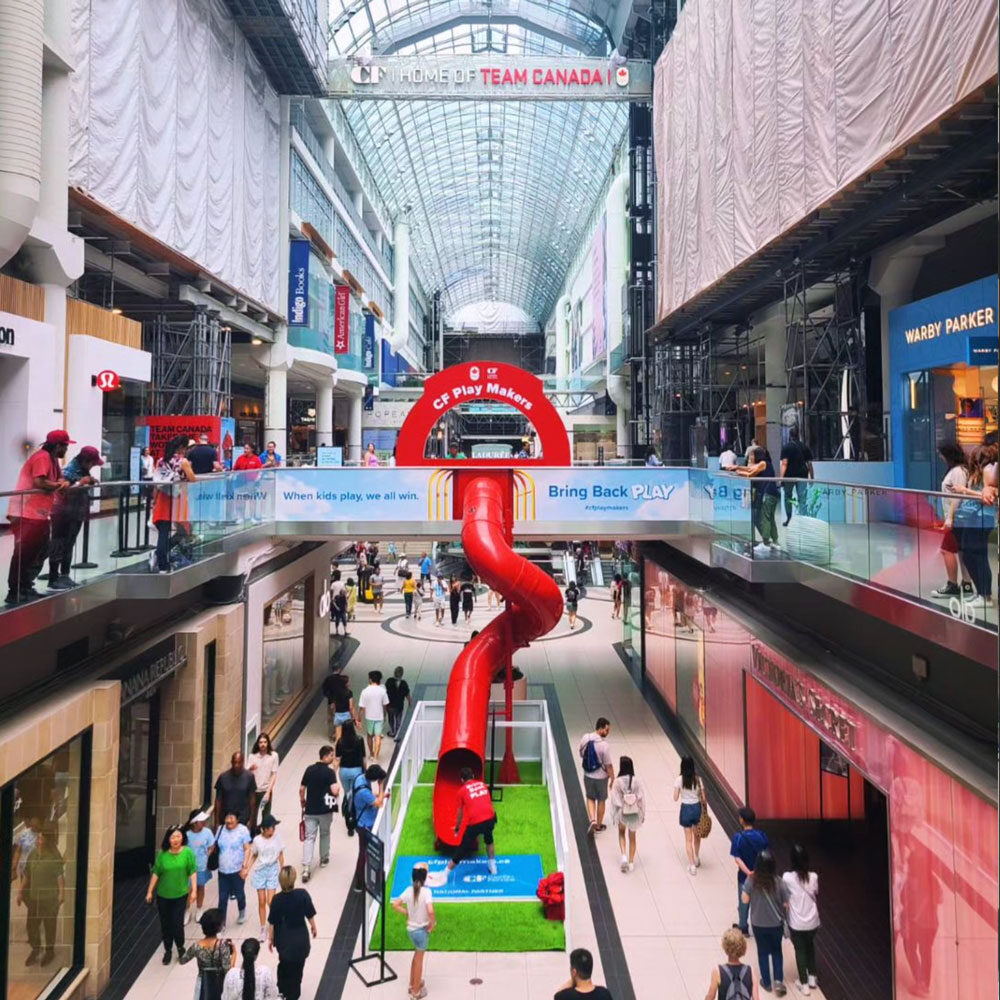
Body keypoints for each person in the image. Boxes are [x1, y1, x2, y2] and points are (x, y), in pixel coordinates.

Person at [6, 429, 71, 604]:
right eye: (65, 446)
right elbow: (39, 482)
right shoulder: (42, 457)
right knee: (25, 553)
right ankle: (15, 591)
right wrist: (59, 485)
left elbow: (59, 479)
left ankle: (25, 586)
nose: (66, 450)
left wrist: (62, 483)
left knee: (40, 549)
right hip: (26, 512)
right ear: (58, 446)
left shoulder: (53, 460)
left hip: (38, 513)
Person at [46, 445, 103, 590]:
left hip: (75, 513)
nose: (93, 466)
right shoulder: (69, 470)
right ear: (86, 460)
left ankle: (64, 575)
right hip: (63, 513)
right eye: (92, 463)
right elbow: (63, 490)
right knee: (59, 544)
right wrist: (81, 483)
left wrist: (89, 480)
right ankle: (53, 578)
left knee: (69, 544)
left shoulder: (83, 470)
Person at [950, 444, 997, 609]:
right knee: (970, 554)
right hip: (975, 518)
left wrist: (964, 490)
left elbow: (989, 495)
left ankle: (985, 595)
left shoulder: (988, 470)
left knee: (977, 555)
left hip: (982, 518)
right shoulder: (980, 472)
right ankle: (981, 593)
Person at [741, 849, 790, 996]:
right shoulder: (779, 882)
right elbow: (786, 904)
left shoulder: (752, 880)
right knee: (777, 951)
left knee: (762, 952)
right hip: (776, 924)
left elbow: (744, 900)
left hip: (758, 923)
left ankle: (767, 982)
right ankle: (779, 982)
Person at [146, 825, 197, 963]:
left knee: (177, 923)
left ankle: (180, 948)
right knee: (165, 924)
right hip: (163, 896)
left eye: (178, 836)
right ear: (168, 839)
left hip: (180, 895)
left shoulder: (187, 853)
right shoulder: (162, 855)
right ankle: (167, 949)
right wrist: (150, 891)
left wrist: (194, 891)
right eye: (173, 837)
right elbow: (156, 873)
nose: (176, 840)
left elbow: (192, 872)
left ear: (182, 838)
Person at [16, 825, 64, 968]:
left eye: (40, 838)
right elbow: (27, 875)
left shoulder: (54, 856)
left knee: (49, 926)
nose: (37, 840)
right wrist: (20, 891)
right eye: (37, 838)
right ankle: (36, 949)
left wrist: (61, 894)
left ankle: (49, 951)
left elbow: (60, 877)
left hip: (49, 898)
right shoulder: (33, 854)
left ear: (47, 840)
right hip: (35, 897)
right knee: (32, 926)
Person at [267, 866, 317, 1000]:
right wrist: (313, 927)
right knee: (298, 969)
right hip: (301, 941)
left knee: (284, 965)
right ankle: (293, 993)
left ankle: (283, 990)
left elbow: (272, 921)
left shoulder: (277, 900)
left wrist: (270, 938)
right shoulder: (302, 894)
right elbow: (310, 914)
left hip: (284, 941)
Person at [150, 433, 197, 573]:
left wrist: (154, 500)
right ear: (182, 448)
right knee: (184, 530)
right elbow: (192, 479)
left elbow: (156, 484)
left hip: (163, 499)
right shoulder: (183, 462)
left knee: (163, 532)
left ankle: (162, 563)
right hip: (178, 500)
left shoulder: (161, 461)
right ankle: (161, 556)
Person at [931, 442, 972, 599]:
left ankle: (952, 584)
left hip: (957, 518)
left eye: (941, 454)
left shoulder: (958, 472)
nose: (940, 457)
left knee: (946, 549)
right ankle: (966, 585)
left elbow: (958, 496)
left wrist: (950, 517)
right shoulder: (958, 470)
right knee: (961, 551)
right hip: (957, 517)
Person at [441, 767, 497, 878]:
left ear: (462, 780)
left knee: (462, 849)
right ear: (473, 776)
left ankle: (445, 873)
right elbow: (487, 802)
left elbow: (460, 813)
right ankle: (493, 866)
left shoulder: (461, 791)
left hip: (475, 823)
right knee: (489, 839)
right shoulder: (483, 785)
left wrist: (457, 828)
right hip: (491, 819)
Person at [391, 863, 435, 1000]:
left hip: (411, 930)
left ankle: (412, 983)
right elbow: (431, 911)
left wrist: (407, 913)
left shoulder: (408, 890)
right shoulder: (427, 892)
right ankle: (416, 991)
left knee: (416, 956)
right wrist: (432, 923)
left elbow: (395, 904)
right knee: (419, 960)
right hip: (421, 931)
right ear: (425, 878)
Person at [782, 844, 820, 995]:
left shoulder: (787, 877)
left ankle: (803, 983)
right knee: (810, 946)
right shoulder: (814, 877)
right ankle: (812, 977)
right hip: (813, 921)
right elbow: (816, 892)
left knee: (800, 950)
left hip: (797, 922)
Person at [299, 746, 340, 883]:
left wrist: (303, 801)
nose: (333, 758)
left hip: (310, 809)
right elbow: (335, 791)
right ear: (326, 756)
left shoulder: (309, 769)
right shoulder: (329, 772)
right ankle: (324, 858)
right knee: (325, 833)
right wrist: (335, 772)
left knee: (309, 837)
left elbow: (302, 788)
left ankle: (306, 867)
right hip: (325, 810)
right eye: (332, 756)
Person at [246, 816, 285, 942]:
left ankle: (275, 924)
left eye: (274, 827)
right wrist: (247, 869)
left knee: (271, 901)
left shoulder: (277, 838)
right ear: (264, 829)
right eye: (271, 827)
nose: (273, 830)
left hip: (273, 869)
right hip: (260, 871)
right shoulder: (257, 840)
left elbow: (280, 854)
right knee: (261, 901)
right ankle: (263, 928)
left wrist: (282, 869)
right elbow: (254, 855)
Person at [179, 908, 233, 1000]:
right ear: (218, 927)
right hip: (220, 982)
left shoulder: (196, 946)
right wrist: (234, 954)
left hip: (203, 981)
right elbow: (227, 969)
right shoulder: (223, 945)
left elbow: (183, 960)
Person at [736, 446, 781, 555]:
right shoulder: (764, 463)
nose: (750, 456)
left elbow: (750, 473)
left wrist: (738, 471)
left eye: (752, 455)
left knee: (765, 517)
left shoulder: (763, 463)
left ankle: (766, 543)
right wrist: (738, 468)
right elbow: (750, 469)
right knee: (770, 518)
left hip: (768, 493)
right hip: (771, 493)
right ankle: (774, 541)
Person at [351, 765, 388, 892]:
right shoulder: (364, 792)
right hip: (365, 825)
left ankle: (364, 879)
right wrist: (381, 786)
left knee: (365, 852)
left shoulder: (360, 778)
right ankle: (359, 883)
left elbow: (373, 797)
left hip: (363, 821)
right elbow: (379, 803)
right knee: (363, 853)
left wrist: (379, 794)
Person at [609, 756, 645, 873]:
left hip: (622, 813)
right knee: (632, 837)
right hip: (634, 813)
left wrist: (621, 806)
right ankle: (631, 862)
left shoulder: (617, 782)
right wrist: (642, 813)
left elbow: (614, 799)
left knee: (621, 833)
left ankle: (623, 855)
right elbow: (641, 798)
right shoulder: (637, 781)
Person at [702, 927, 759, 1000]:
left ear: (725, 947)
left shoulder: (718, 971)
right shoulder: (751, 970)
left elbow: (710, 996)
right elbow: (756, 998)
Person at [216, 811, 252, 925]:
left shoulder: (242, 830)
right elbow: (214, 845)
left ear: (237, 819)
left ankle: (242, 911)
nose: (229, 820)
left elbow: (247, 849)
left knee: (239, 894)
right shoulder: (220, 829)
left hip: (237, 870)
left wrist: (244, 866)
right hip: (223, 871)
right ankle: (221, 923)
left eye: (231, 817)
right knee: (222, 898)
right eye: (227, 817)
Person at [579, 718, 614, 834]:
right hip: (601, 778)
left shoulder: (585, 737)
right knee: (601, 800)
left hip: (588, 775)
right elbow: (608, 765)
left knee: (590, 797)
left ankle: (592, 820)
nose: (608, 732)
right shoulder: (604, 745)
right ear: (601, 728)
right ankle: (598, 825)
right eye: (607, 730)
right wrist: (612, 778)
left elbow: (581, 753)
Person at [673, 755, 705, 875]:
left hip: (685, 809)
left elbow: (675, 798)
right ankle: (696, 857)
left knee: (688, 839)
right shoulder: (698, 779)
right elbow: (704, 798)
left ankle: (692, 865)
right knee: (697, 836)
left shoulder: (679, 780)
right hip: (696, 808)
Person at [184, 809, 217, 923]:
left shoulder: (207, 832)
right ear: (194, 822)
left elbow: (212, 845)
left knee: (200, 887)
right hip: (189, 868)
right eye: (201, 821)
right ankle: (187, 910)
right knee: (188, 889)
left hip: (202, 866)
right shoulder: (187, 834)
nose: (204, 823)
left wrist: (208, 854)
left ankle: (199, 909)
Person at [335, 719, 367, 836]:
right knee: (354, 795)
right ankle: (354, 818)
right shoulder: (359, 740)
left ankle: (348, 819)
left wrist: (333, 773)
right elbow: (363, 758)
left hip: (343, 771)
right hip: (356, 771)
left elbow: (337, 759)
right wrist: (365, 771)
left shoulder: (340, 742)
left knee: (347, 793)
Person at [778, 426, 814, 525]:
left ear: (790, 436)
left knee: (788, 497)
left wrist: (781, 478)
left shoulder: (786, 447)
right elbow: (809, 464)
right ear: (798, 435)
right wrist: (812, 477)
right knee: (802, 498)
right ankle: (803, 520)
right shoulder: (804, 447)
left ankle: (789, 518)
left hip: (789, 476)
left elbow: (784, 464)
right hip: (802, 475)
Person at [247, 733, 279, 829]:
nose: (263, 744)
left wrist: (268, 792)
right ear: (257, 744)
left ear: (268, 743)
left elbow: (273, 774)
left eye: (265, 742)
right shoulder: (253, 756)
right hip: (254, 792)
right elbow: (247, 773)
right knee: (252, 815)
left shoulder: (273, 756)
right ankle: (253, 834)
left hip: (265, 790)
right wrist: (250, 769)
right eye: (261, 742)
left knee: (266, 815)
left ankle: (265, 833)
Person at [215, 752, 256, 828]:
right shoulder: (223, 777)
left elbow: (252, 800)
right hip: (226, 817)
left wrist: (251, 819)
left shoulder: (249, 777)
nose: (236, 765)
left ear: (243, 763)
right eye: (234, 762)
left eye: (239, 763)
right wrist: (216, 822)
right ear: (231, 762)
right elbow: (218, 800)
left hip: (243, 818)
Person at [358, 670, 390, 758]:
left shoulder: (365, 691)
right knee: (378, 736)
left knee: (369, 735)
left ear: (370, 680)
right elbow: (385, 705)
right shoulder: (382, 691)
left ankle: (371, 753)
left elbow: (361, 707)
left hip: (369, 717)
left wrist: (358, 719)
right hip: (379, 717)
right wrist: (384, 714)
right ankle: (376, 756)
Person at [324, 672, 355, 741]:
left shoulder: (336, 692)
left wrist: (333, 713)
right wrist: (353, 717)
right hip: (346, 715)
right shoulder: (349, 692)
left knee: (338, 737)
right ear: (346, 683)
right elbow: (351, 706)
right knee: (347, 736)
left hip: (338, 715)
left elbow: (332, 705)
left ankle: (337, 749)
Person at [385, 666, 412, 739]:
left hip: (390, 705)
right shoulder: (404, 683)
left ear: (394, 673)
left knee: (391, 718)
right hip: (399, 705)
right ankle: (397, 732)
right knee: (398, 719)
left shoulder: (389, 681)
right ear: (402, 674)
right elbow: (407, 694)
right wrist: (410, 702)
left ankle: (392, 731)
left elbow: (386, 692)